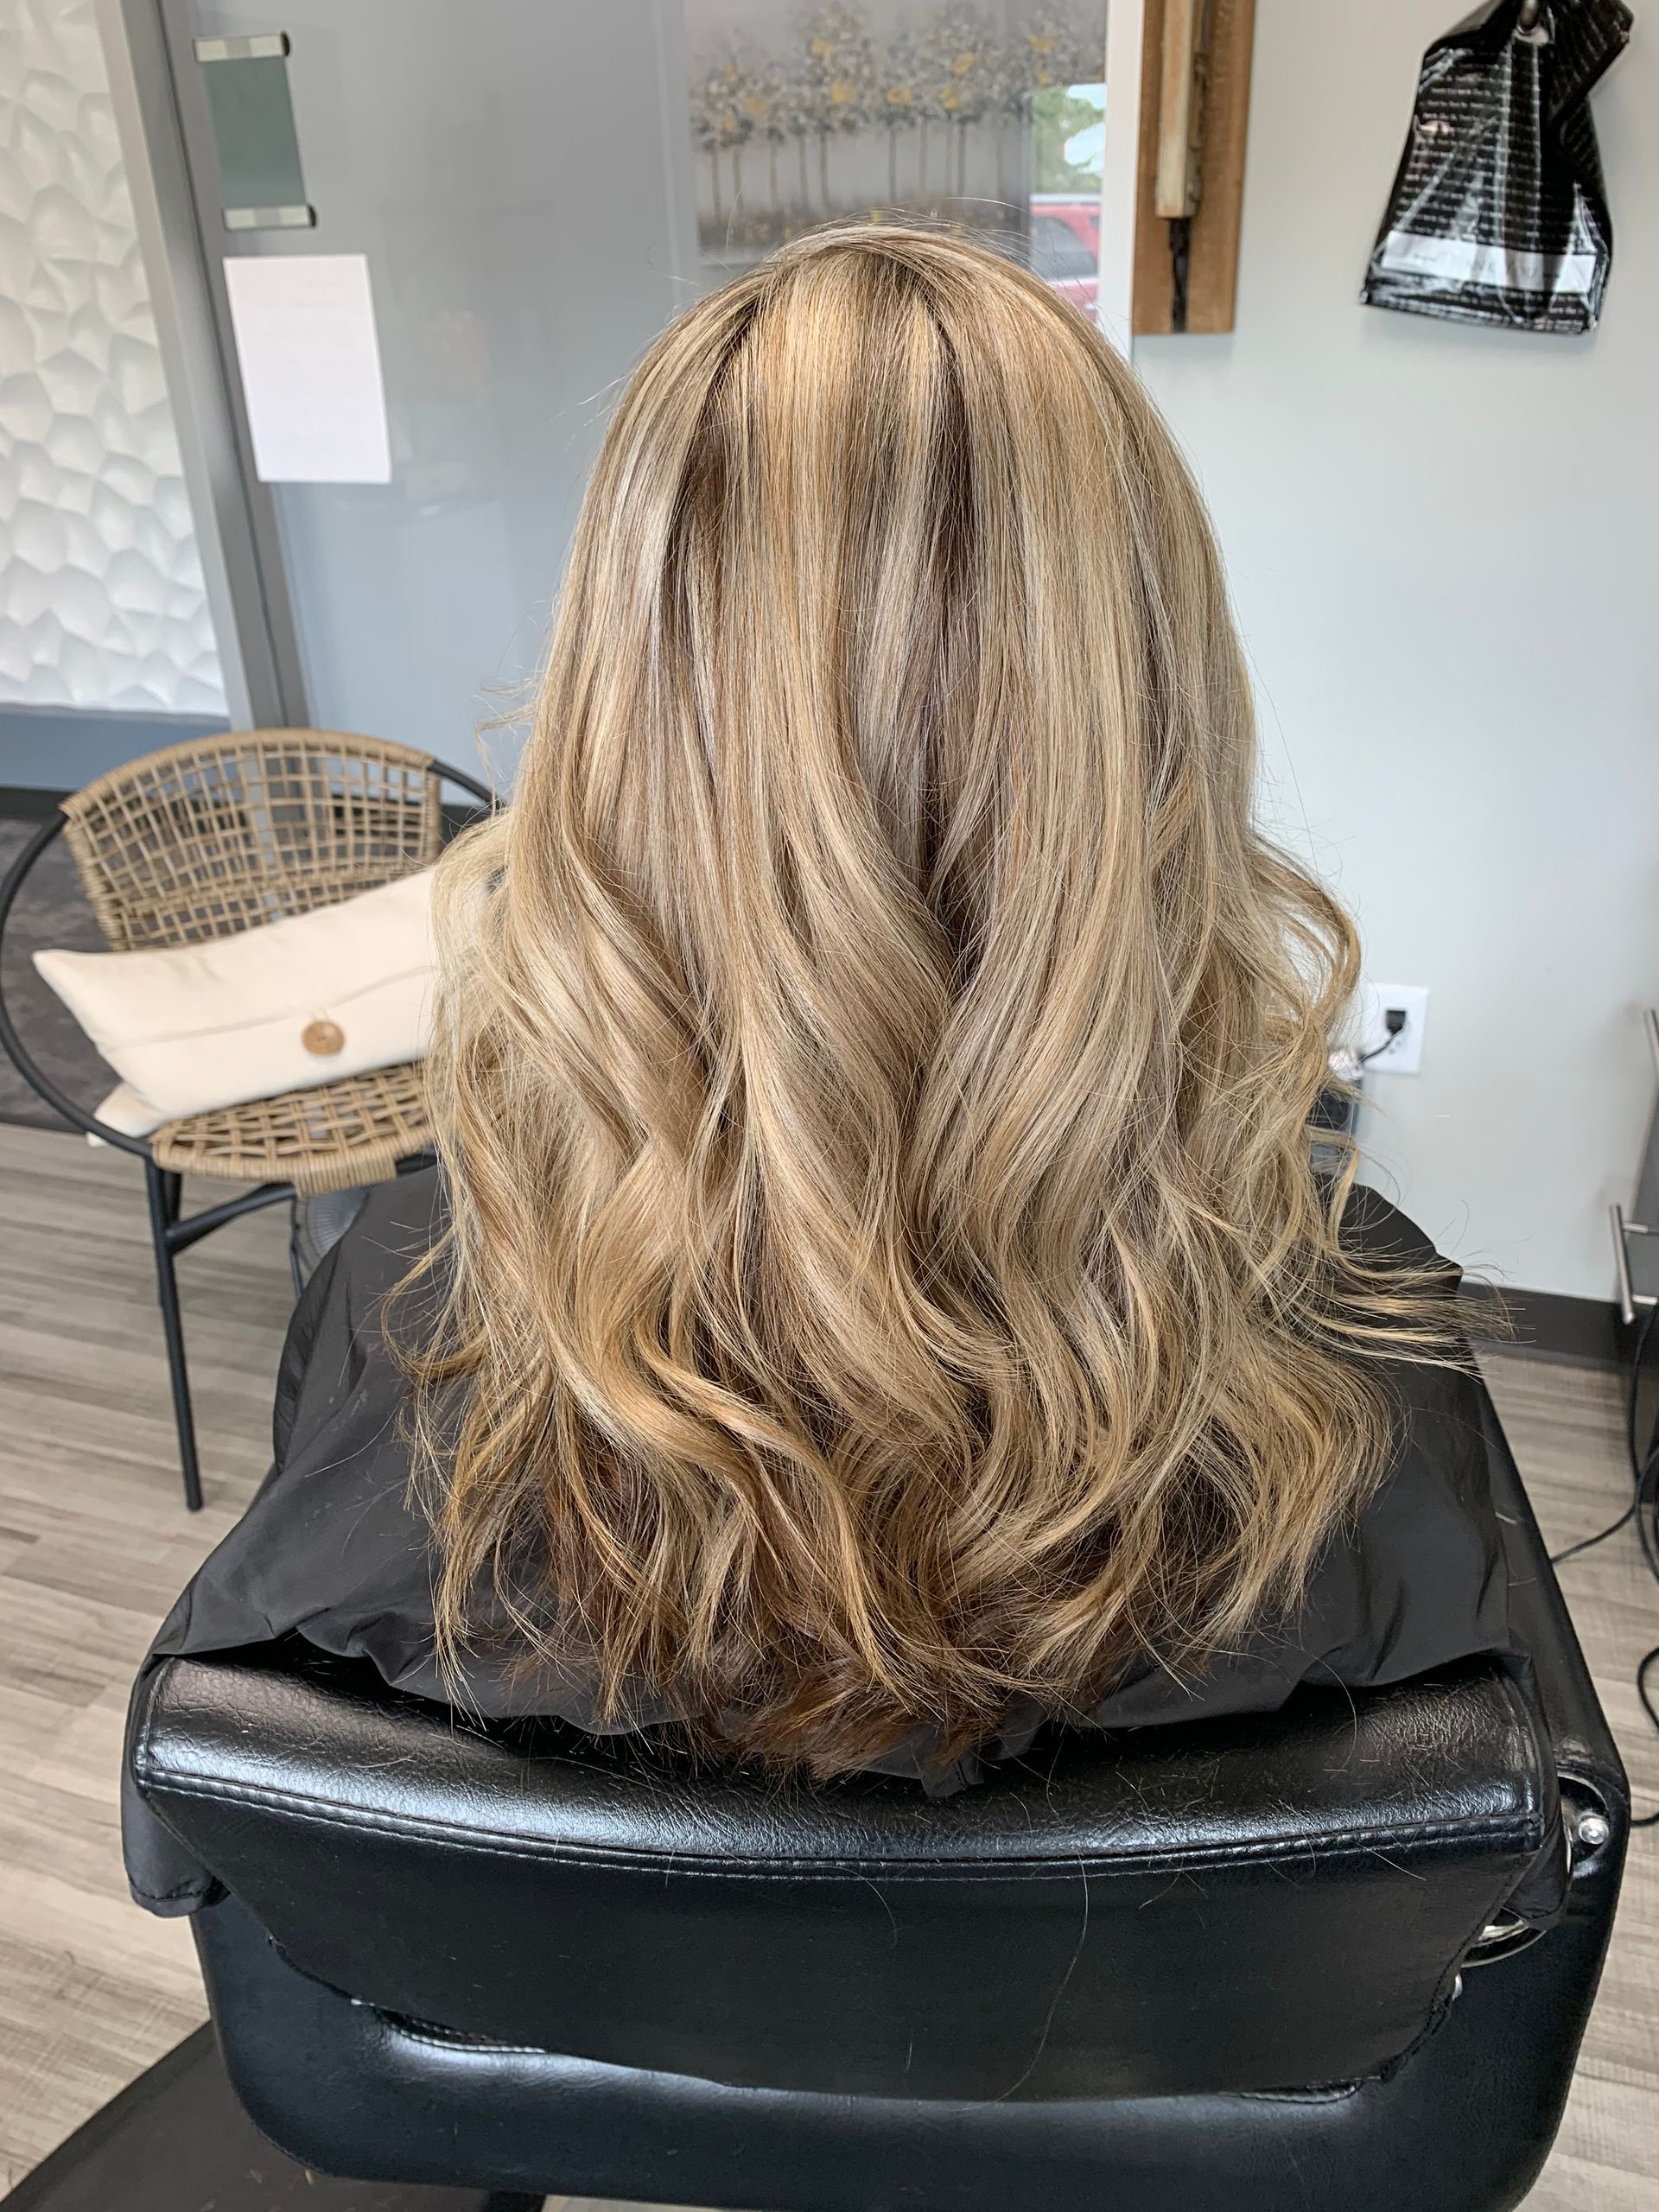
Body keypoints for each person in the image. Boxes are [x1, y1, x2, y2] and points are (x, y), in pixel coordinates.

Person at [124, 226, 1535, 1915]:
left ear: (620, 733)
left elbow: (216, 1843)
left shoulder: (404, 1303)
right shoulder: (1367, 1349)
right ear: (1150, 719)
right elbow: (1470, 1919)